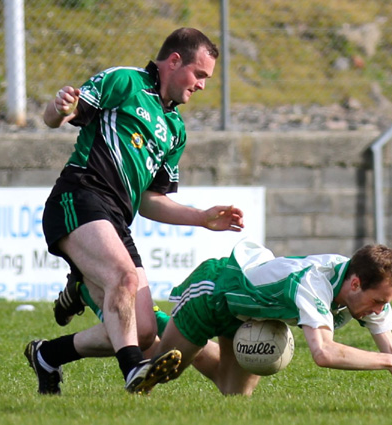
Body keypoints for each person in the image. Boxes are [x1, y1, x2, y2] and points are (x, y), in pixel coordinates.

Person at [24, 27, 245, 395]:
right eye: (200, 75)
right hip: (79, 196)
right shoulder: (125, 82)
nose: (203, 86)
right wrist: (58, 108)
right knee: (124, 280)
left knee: (141, 330)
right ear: (174, 61)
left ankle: (48, 354)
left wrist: (202, 217)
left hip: (117, 219)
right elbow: (60, 115)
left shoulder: (175, 129)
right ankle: (133, 372)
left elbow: (148, 199)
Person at [147, 238, 392, 397]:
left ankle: (190, 342)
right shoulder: (314, 282)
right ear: (356, 284)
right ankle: (155, 321)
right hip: (214, 294)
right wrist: (386, 362)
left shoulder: (368, 288)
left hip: (245, 318)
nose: (379, 310)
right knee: (162, 371)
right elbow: (323, 353)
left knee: (234, 394)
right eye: (377, 302)